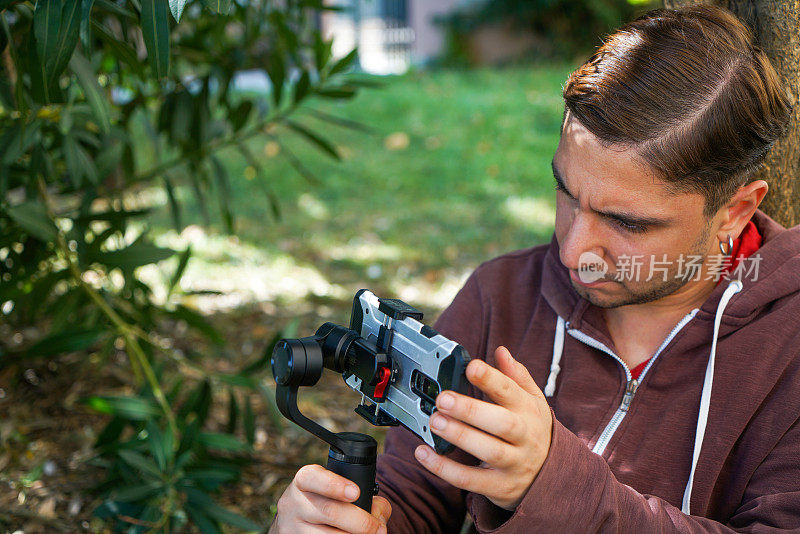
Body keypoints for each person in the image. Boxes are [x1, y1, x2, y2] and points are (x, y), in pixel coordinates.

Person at [269, 5, 797, 533]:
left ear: (736, 211)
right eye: (566, 194)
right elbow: (415, 491)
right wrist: (347, 523)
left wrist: (553, 485)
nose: (572, 252)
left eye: (626, 223)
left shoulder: (788, 349)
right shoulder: (500, 296)